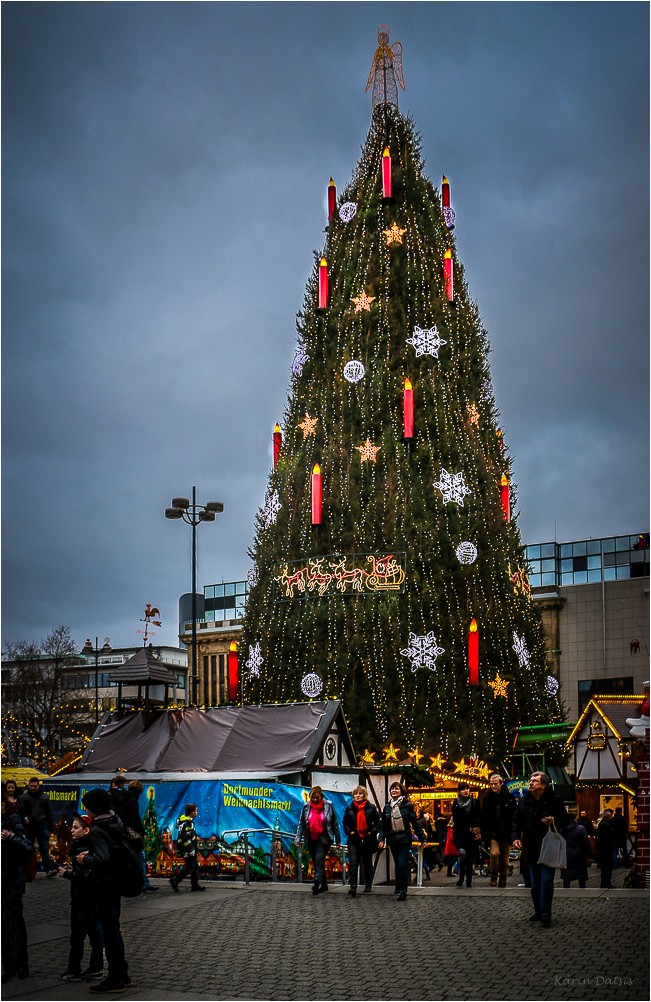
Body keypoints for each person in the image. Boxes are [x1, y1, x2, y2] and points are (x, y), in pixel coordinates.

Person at [79, 787, 131, 993]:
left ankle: (115, 977)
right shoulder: (115, 821)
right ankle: (122, 971)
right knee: (114, 929)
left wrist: (85, 859)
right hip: (116, 881)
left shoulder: (99, 829)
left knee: (109, 930)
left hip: (104, 884)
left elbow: (102, 858)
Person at [511, 771, 568, 928]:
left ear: (543, 785)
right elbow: (516, 821)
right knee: (535, 884)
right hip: (530, 847)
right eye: (530, 780)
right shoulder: (524, 801)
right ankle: (538, 910)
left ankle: (546, 914)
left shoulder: (554, 800)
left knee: (546, 882)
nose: (531, 783)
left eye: (535, 781)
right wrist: (515, 838)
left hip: (548, 846)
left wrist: (553, 821)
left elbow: (565, 820)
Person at [58, 814, 104, 982]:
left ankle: (73, 969)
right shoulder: (93, 845)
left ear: (86, 830)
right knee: (94, 933)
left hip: (82, 898)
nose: (72, 830)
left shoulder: (81, 848)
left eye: (76, 827)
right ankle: (95, 966)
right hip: (92, 897)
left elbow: (83, 877)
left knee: (77, 935)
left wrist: (67, 873)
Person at [1, 789, 33, 984]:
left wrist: (10, 838)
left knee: (13, 924)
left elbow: (28, 847)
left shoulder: (13, 821)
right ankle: (9, 965)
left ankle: (20, 965)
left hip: (10, 880)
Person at [380, 782, 426, 901]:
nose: (394, 791)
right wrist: (381, 839)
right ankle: (398, 885)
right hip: (392, 839)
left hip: (404, 839)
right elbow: (384, 825)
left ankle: (403, 890)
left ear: (401, 791)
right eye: (392, 789)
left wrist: (422, 838)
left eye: (396, 789)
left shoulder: (407, 805)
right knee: (397, 864)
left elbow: (415, 823)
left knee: (402, 864)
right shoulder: (387, 807)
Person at [295, 786, 341, 895]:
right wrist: (298, 838)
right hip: (311, 837)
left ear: (321, 796)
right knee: (316, 862)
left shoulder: (328, 805)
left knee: (319, 859)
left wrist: (338, 840)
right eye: (313, 798)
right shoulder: (306, 806)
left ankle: (316, 882)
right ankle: (324, 885)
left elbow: (334, 823)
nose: (315, 800)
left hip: (324, 837)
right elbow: (301, 824)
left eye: (317, 798)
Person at [342, 786, 381, 896]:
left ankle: (368, 884)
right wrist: (350, 832)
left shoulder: (371, 808)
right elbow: (345, 823)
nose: (357, 796)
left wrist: (371, 832)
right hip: (354, 839)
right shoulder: (350, 809)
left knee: (367, 862)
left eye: (360, 794)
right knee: (354, 862)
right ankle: (353, 886)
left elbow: (378, 823)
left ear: (364, 795)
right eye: (356, 794)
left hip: (367, 839)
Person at [480, 773, 516, 887]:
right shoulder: (486, 798)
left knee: (505, 860)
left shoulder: (509, 798)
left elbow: (513, 815)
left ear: (501, 784)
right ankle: (494, 876)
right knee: (494, 854)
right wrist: (485, 834)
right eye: (491, 784)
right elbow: (484, 817)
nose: (493, 786)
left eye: (495, 784)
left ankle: (503, 881)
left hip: (506, 832)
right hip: (493, 832)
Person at [20, 776, 57, 876]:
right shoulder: (24, 797)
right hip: (30, 826)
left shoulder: (44, 797)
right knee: (29, 848)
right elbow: (22, 812)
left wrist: (50, 827)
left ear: (38, 786)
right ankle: (28, 870)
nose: (33, 788)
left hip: (41, 824)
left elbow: (49, 812)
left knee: (44, 848)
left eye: (34, 786)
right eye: (31, 786)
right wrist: (24, 819)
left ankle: (48, 869)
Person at [128, 780, 157, 892]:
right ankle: (144, 883)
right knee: (140, 858)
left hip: (125, 835)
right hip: (134, 835)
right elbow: (135, 818)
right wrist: (142, 832)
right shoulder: (133, 801)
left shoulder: (124, 799)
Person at [452, 783, 482, 888]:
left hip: (471, 835)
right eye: (463, 789)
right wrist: (468, 828)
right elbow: (457, 820)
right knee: (462, 854)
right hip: (460, 834)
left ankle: (468, 881)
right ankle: (461, 876)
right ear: (459, 791)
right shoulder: (456, 803)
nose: (465, 791)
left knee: (469, 858)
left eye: (467, 789)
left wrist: (478, 831)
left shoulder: (475, 802)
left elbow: (479, 817)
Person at [170, 804, 204, 892]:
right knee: (191, 867)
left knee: (195, 866)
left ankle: (195, 884)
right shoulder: (188, 822)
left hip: (189, 847)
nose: (197, 813)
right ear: (192, 812)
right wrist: (191, 849)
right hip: (187, 848)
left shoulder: (185, 820)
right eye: (196, 811)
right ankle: (175, 880)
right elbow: (185, 837)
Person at [560, 813, 592, 888]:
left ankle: (566, 889)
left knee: (566, 876)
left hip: (566, 854)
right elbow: (586, 843)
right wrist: (589, 855)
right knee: (581, 876)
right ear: (575, 818)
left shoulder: (563, 829)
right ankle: (582, 889)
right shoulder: (580, 828)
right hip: (579, 855)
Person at [595, 809, 615, 889]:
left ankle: (604, 883)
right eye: (610, 816)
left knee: (604, 868)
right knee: (607, 867)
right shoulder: (606, 825)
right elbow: (607, 838)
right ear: (607, 816)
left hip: (603, 849)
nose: (611, 817)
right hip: (606, 850)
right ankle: (606, 883)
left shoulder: (601, 823)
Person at [417, 810, 435, 880]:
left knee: (421, 860)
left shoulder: (421, 822)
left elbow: (419, 831)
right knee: (424, 859)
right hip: (427, 841)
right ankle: (429, 868)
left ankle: (425, 875)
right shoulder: (427, 823)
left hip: (423, 842)